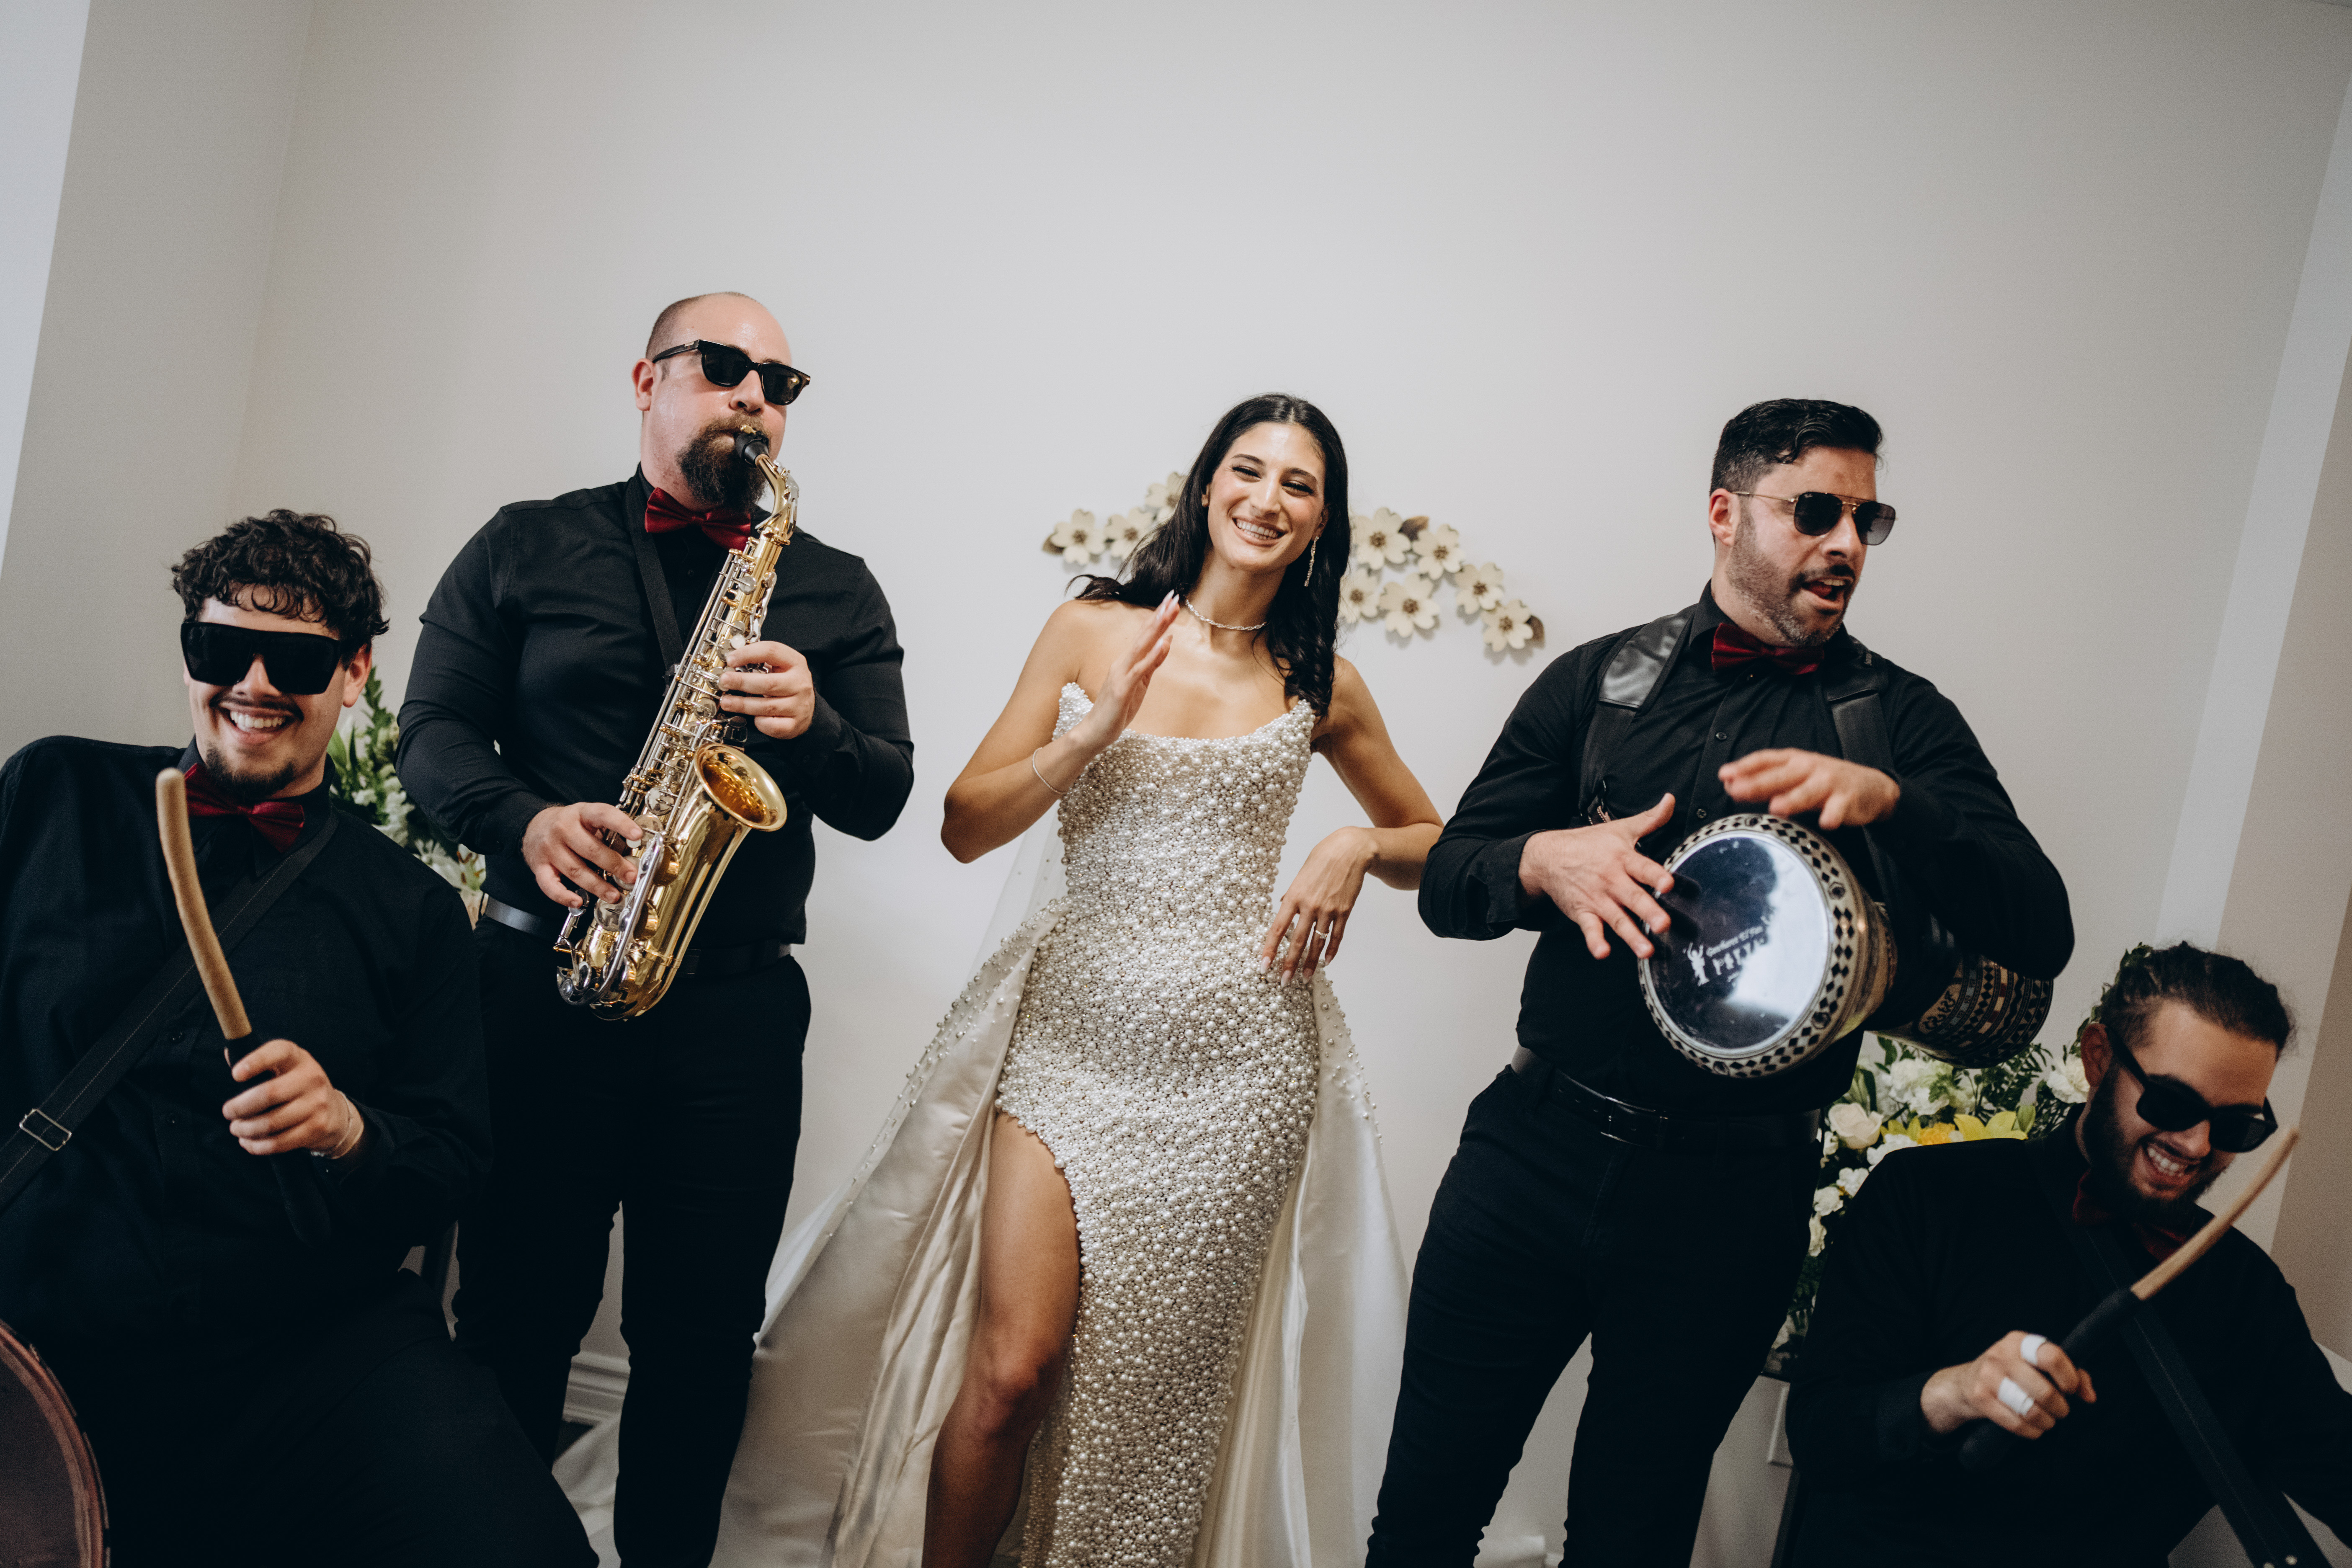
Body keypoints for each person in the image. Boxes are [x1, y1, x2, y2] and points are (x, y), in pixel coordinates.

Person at [591, 392, 1438, 1566]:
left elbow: (1436, 847)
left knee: (1154, 1394)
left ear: (1323, 521)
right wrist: (1091, 735)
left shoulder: (1322, 682)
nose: (1268, 500)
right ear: (1207, 485)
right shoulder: (1091, 631)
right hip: (1071, 1044)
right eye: (1249, 471)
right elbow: (965, 825)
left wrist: (1354, 846)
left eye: (1300, 485)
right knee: (1012, 1374)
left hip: (1242, 1077)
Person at [1370, 398, 2075, 1563]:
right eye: (1816, 511)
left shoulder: (1899, 722)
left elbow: (2042, 927)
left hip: (1729, 1203)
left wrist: (1898, 804)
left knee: (1632, 1542)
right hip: (1531, 1158)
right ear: (1724, 513)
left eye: (1866, 520)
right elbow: (1449, 880)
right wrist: (1540, 861)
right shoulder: (1599, 685)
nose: (1846, 544)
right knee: (1423, 1518)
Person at [397, 292, 914, 1567]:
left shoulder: (835, 588)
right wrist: (523, 821)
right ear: (648, 380)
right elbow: (432, 734)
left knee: (701, 1337)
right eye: (724, 366)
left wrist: (816, 728)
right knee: (514, 1314)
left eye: (780, 384)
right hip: (541, 981)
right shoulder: (524, 544)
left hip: (735, 1014)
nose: (755, 397)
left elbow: (885, 794)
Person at [0, 511, 591, 1568]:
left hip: (306, 1345)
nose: (255, 684)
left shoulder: (415, 911)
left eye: (301, 660)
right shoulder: (51, 792)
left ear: (356, 673)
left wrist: (349, 1129)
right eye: (222, 648)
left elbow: (450, 1165)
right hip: (47, 1325)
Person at [1786, 943, 2352, 1564]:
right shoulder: (1927, 1194)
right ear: (2099, 1058)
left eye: (2236, 1125)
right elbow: (1821, 1436)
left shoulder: (2245, 1292)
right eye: (2172, 1103)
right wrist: (1956, 1392)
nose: (2196, 1145)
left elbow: (2335, 1464)